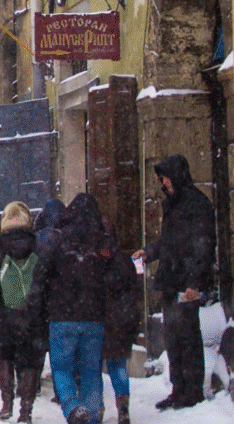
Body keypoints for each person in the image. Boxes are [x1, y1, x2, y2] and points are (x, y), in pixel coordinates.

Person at [133, 154, 217, 411]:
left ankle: (191, 392)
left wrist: (194, 283)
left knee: (187, 335)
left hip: (186, 282)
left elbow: (203, 248)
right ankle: (178, 388)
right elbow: (170, 243)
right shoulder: (175, 204)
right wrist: (149, 252)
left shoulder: (197, 205)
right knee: (173, 336)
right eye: (163, 179)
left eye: (167, 177)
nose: (165, 182)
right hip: (171, 279)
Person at [30, 193, 109, 424]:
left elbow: (40, 276)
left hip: (62, 315)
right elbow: (112, 274)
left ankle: (72, 407)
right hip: (94, 316)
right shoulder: (101, 241)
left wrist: (38, 307)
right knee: (91, 371)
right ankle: (91, 418)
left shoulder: (57, 240)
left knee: (61, 367)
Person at [0, 201, 45, 424]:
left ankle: (6, 404)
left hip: (5, 313)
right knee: (30, 362)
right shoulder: (38, 245)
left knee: (6, 357)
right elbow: (44, 281)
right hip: (32, 315)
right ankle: (26, 410)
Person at [101, 223, 139, 424]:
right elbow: (134, 292)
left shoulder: (95, 258)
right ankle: (122, 403)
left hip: (100, 319)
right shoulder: (125, 260)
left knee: (93, 367)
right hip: (122, 320)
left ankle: (96, 407)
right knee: (118, 365)